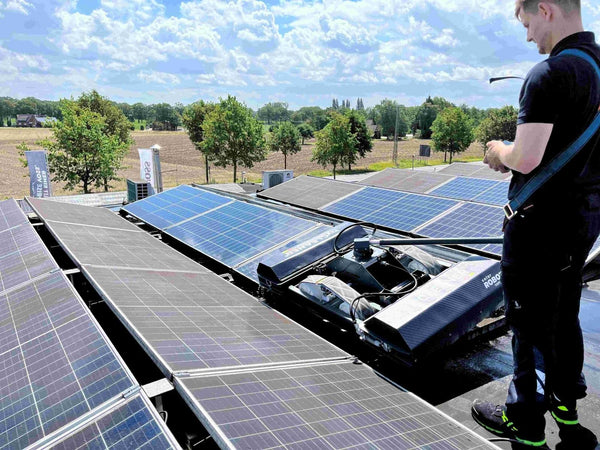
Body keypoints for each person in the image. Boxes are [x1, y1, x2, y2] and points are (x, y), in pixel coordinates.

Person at [472, 0, 600, 448]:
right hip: (584, 220)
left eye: (527, 24)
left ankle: (524, 421)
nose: (528, 37)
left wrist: (497, 149)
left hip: (540, 225)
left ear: (545, 9)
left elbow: (526, 157)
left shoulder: (550, 74)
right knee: (564, 316)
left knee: (527, 322)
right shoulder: (599, 69)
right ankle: (567, 412)